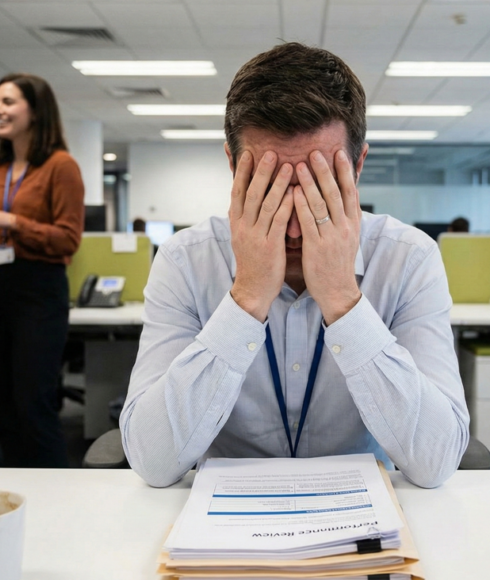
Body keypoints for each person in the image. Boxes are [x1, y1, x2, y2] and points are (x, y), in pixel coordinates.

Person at [120, 43, 469, 489]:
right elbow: (152, 460)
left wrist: (343, 299)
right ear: (233, 166)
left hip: (365, 517)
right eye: (270, 187)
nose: (294, 221)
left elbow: (438, 460)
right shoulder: (185, 260)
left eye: (317, 185)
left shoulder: (409, 259)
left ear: (357, 167)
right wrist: (245, 297)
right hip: (225, 516)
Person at [0, 73, 84, 468]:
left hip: (37, 289)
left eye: (8, 102)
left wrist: (9, 220)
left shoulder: (62, 166)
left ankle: (55, 495)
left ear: (35, 110)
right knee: (1, 400)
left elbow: (67, 240)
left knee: (32, 401)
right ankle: (17, 489)